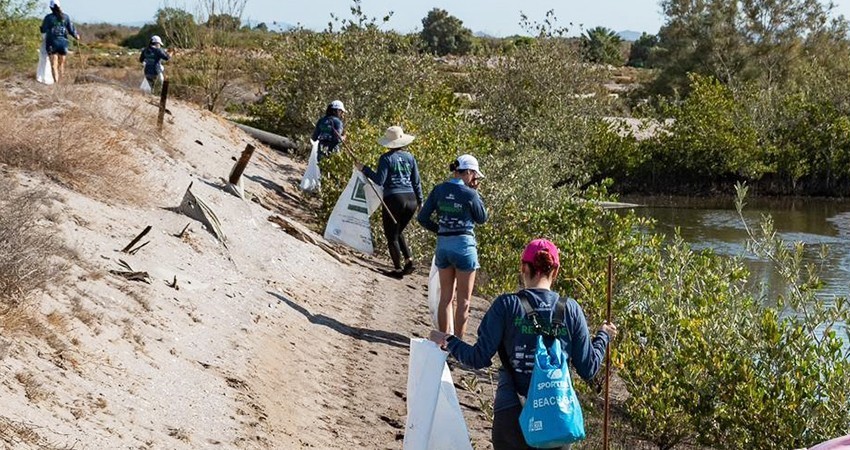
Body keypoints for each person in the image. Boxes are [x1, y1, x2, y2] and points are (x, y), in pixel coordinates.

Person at [429, 238, 618, 450]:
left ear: (523, 268)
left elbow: (478, 358)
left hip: (511, 412)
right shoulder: (571, 309)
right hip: (557, 415)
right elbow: (589, 367)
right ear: (555, 272)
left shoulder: (506, 305)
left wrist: (448, 340)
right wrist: (603, 336)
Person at [417, 154, 487, 339]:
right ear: (470, 172)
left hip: (443, 247)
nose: (475, 179)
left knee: (446, 298)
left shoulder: (439, 189)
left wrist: (440, 229)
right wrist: (475, 192)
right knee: (463, 301)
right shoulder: (470, 193)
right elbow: (482, 218)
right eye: (475, 175)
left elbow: (422, 217)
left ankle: (442, 341)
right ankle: (458, 345)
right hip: (464, 248)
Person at [355, 126, 424, 279]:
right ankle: (409, 261)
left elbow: (380, 180)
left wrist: (364, 168)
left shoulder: (386, 158)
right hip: (411, 198)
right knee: (398, 231)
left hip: (394, 198)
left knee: (391, 235)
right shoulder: (410, 157)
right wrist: (421, 201)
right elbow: (416, 181)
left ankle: (398, 270)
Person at [40, 0, 80, 83]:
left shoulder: (48, 18)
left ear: (50, 7)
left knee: (54, 65)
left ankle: (56, 82)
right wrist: (76, 36)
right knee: (61, 64)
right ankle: (62, 82)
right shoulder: (66, 17)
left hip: (52, 43)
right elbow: (71, 29)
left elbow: (43, 29)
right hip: (63, 43)